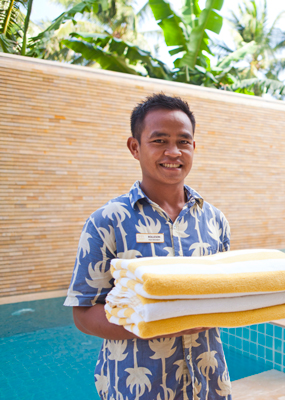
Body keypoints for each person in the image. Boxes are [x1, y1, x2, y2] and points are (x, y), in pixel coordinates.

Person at [64, 93, 232, 400]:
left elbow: (222, 295)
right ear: (135, 147)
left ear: (193, 147)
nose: (173, 151)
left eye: (183, 141)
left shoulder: (215, 221)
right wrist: (159, 324)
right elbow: (84, 313)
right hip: (136, 389)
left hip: (209, 384)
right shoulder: (106, 221)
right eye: (159, 140)